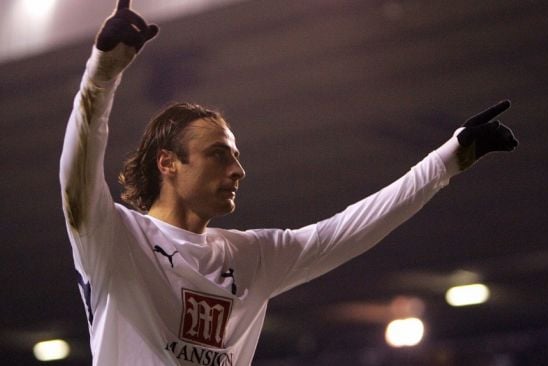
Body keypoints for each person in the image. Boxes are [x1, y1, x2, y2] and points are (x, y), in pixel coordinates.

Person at [59, 1, 518, 365]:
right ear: (168, 163)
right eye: (219, 155)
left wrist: (448, 160)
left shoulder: (252, 257)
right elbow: (77, 174)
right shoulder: (115, 240)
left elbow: (350, 228)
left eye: (237, 157)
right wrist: (101, 76)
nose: (237, 170)